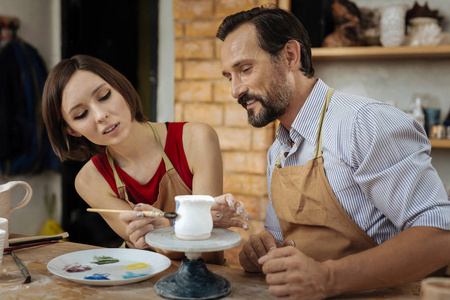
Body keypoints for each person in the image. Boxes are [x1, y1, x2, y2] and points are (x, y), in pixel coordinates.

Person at [216, 4, 450, 299]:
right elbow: (284, 241)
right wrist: (263, 250)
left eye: (245, 69)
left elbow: (440, 236)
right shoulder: (278, 150)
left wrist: (326, 278)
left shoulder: (363, 122)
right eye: (229, 77)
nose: (235, 90)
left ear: (290, 56)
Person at [42, 55, 249, 264]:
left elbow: (207, 251)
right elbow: (149, 246)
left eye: (104, 96)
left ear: (120, 87)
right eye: (81, 114)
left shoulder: (196, 139)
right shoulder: (90, 180)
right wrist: (159, 234)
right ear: (71, 130)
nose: (100, 115)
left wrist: (167, 231)